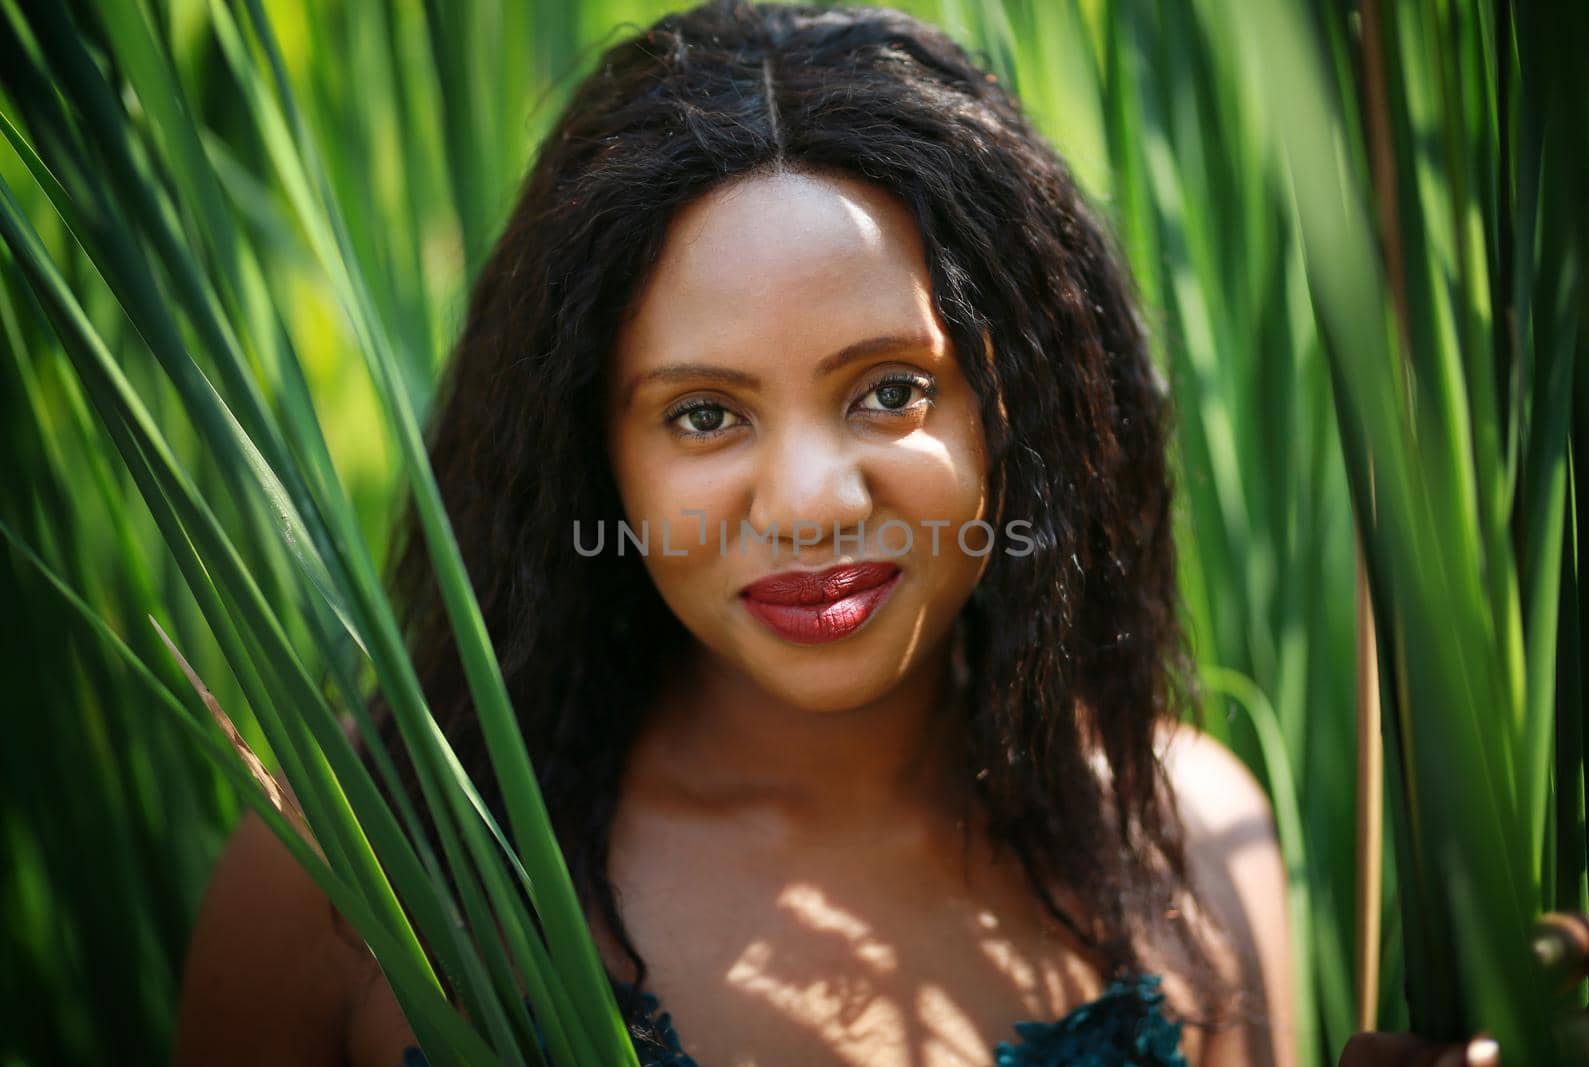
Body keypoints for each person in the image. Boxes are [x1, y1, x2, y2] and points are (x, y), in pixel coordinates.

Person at [171, 1, 1315, 1064]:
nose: (810, 503)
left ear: (1021, 402)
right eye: (704, 414)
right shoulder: (357, 872)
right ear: (594, 454)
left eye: (888, 390)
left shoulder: (1191, 846)